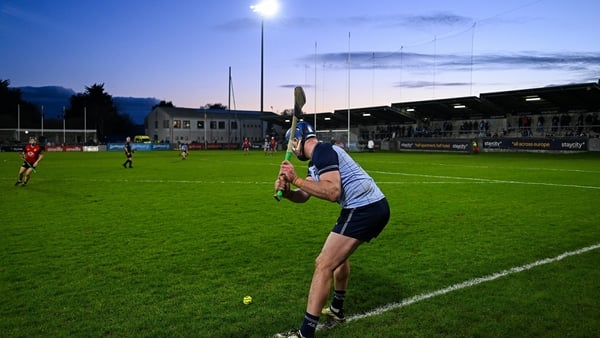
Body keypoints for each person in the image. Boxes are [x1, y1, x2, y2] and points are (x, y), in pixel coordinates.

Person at [273, 122, 390, 338]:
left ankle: (305, 333)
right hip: (368, 207)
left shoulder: (323, 151)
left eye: (290, 145)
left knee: (324, 263)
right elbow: (305, 195)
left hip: (364, 207)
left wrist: (295, 178)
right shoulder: (315, 162)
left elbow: (332, 191)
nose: (289, 150)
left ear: (297, 141)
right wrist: (290, 192)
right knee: (338, 259)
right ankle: (336, 310)